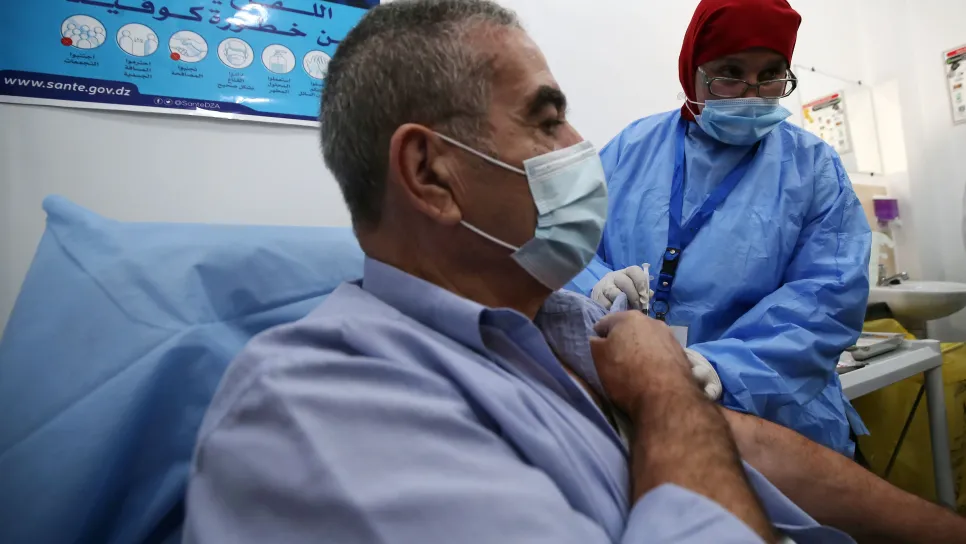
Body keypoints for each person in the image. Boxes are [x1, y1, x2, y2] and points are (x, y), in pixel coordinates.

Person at [185, 1, 966, 543]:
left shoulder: (546, 330)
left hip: (770, 403)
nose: (581, 149)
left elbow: (756, 442)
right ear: (429, 173)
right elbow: (678, 413)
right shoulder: (319, 410)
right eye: (547, 118)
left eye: (772, 76)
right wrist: (662, 382)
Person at [567, 0, 871, 457]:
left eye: (771, 74)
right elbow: (565, 243)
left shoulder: (812, 168)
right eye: (730, 72)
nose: (752, 94)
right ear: (691, 69)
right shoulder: (631, 150)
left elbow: (828, 298)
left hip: (776, 421)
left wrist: (722, 368)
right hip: (636, 408)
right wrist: (594, 285)